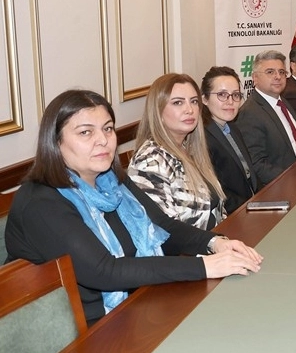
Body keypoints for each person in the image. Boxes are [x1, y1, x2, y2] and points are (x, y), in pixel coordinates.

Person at [4, 89, 262, 324]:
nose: (103, 140)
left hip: (139, 303)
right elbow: (104, 271)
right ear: (55, 141)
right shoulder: (41, 201)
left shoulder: (112, 180)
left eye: (107, 129)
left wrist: (214, 243)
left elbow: (163, 227)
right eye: (85, 132)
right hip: (84, 331)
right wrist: (205, 267)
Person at [128, 74, 225, 230]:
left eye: (194, 101)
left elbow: (217, 211)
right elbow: (164, 231)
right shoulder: (150, 161)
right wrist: (216, 241)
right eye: (178, 102)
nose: (189, 110)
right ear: (158, 110)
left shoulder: (189, 148)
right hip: (192, 245)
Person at [236, 50, 296, 188]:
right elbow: (257, 164)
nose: (278, 77)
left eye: (282, 72)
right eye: (270, 72)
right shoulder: (250, 113)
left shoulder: (283, 102)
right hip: (285, 185)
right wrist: (295, 179)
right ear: (255, 78)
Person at [200, 66, 257, 213]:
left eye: (235, 95)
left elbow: (249, 173)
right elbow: (218, 193)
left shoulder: (232, 127)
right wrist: (250, 208)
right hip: (235, 213)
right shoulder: (202, 138)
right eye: (222, 95)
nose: (230, 101)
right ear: (205, 99)